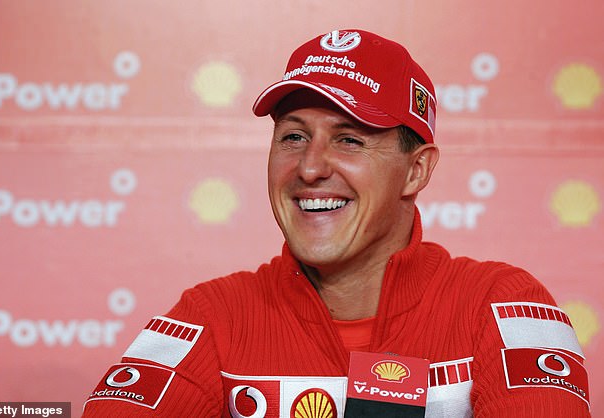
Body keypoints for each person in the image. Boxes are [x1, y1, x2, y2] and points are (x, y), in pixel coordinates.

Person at [81, 29, 591, 417]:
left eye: (349, 139)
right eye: (293, 137)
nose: (309, 168)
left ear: (416, 170)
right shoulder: (212, 316)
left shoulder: (501, 307)